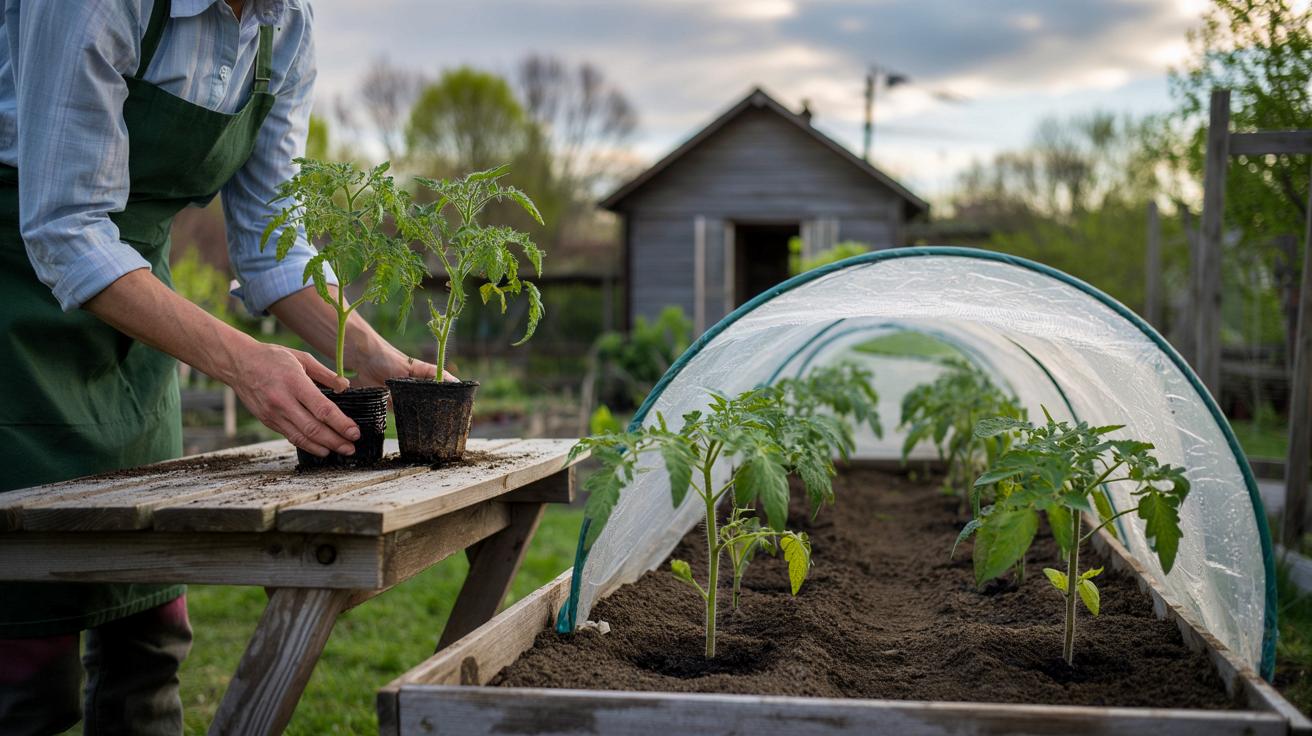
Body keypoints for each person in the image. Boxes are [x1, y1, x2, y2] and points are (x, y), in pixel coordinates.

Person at [0, 1, 442, 733]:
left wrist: (382, 361)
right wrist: (243, 363)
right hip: (14, 301)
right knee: (25, 662)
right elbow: (64, 227)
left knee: (148, 640)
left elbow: (273, 247)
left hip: (138, 324)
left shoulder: (285, 26)